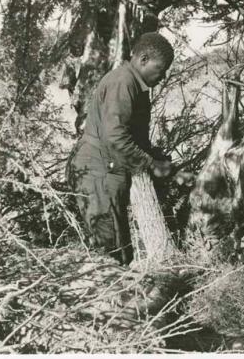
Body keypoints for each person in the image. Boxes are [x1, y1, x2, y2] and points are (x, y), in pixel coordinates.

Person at [67, 32, 174, 265]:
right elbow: (115, 136)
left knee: (119, 248)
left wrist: (158, 159)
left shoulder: (135, 84)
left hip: (105, 169)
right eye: (161, 69)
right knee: (110, 253)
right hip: (99, 171)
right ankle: (110, 299)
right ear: (143, 59)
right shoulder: (123, 81)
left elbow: (134, 138)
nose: (163, 76)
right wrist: (150, 164)